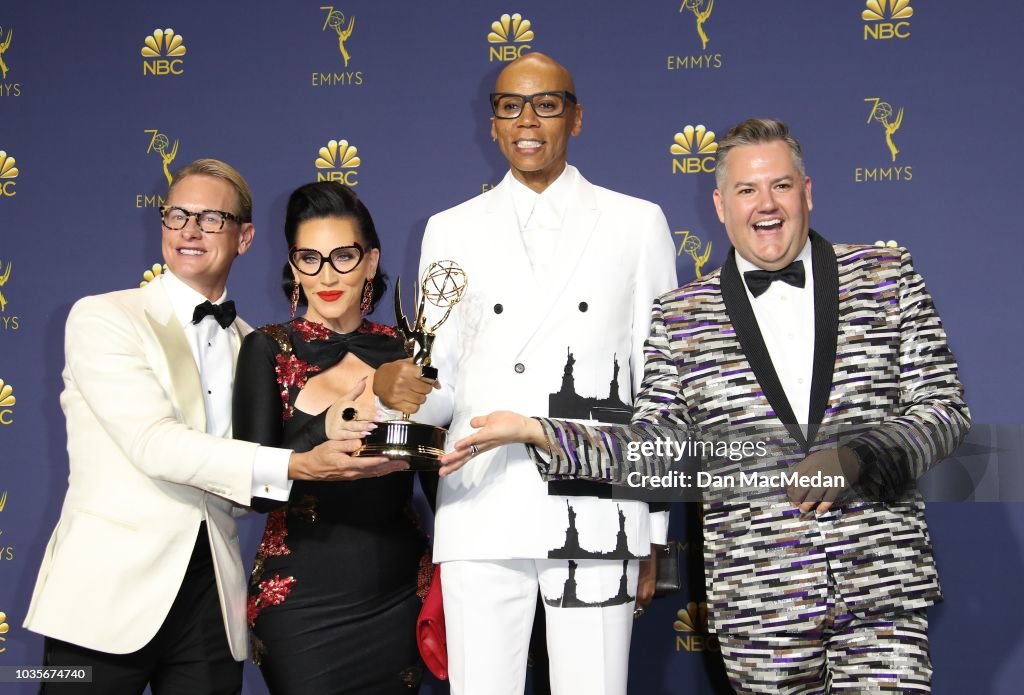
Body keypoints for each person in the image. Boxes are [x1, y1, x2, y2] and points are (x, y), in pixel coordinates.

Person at [455, 118, 970, 694]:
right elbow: (656, 447)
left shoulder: (885, 276)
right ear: (721, 206)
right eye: (747, 191)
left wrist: (857, 457)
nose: (766, 205)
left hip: (881, 588)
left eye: (780, 185)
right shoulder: (682, 314)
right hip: (759, 604)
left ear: (808, 192)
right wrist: (541, 432)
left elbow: (943, 410)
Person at [24, 160, 401, 694]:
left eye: (211, 218)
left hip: (210, 606)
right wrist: (297, 462)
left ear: (245, 237)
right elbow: (155, 445)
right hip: (103, 601)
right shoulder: (104, 317)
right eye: (177, 214)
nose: (190, 230)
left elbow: (254, 485)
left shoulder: (258, 346)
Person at [373, 52, 678, 695]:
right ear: (493, 125)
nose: (527, 120)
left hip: (598, 505)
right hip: (483, 500)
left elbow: (658, 384)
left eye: (546, 104)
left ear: (576, 117)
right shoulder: (450, 229)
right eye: (510, 106)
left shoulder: (636, 223)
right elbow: (442, 374)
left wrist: (652, 529)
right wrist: (406, 396)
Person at [233, 181, 432, 693]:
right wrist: (324, 426)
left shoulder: (407, 351)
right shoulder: (267, 349)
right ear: (294, 267)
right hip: (302, 603)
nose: (326, 274)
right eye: (310, 258)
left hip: (398, 593)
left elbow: (437, 474)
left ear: (370, 261)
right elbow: (254, 485)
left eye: (343, 256)